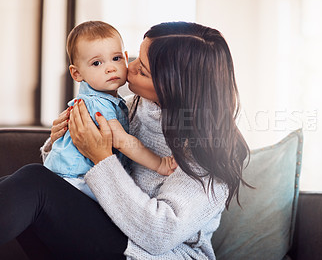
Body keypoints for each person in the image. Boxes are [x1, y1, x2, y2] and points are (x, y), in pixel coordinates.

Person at [0, 21, 250, 259]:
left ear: (174, 88)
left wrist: (102, 158)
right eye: (134, 58)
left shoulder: (207, 153)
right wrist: (61, 140)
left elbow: (158, 236)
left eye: (142, 70)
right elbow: (75, 175)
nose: (127, 68)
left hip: (154, 254)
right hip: (112, 228)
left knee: (34, 184)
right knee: (17, 188)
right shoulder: (130, 108)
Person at [43, 21, 176, 200]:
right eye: (97, 63)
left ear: (125, 56)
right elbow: (121, 141)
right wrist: (160, 163)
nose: (110, 68)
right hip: (75, 179)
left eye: (116, 58)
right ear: (77, 74)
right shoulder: (97, 105)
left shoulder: (116, 102)